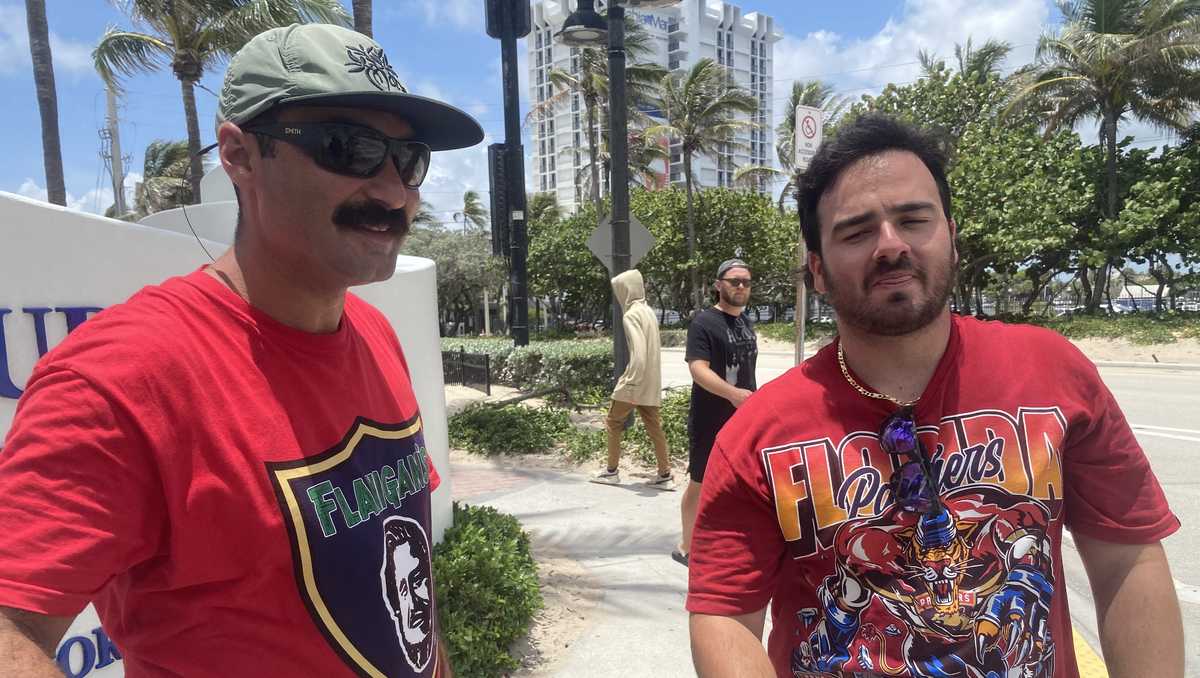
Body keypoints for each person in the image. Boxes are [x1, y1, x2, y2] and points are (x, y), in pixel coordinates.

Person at [0, 23, 482, 678]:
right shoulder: (121, 377)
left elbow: (401, 591)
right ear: (240, 154)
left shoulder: (374, 334)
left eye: (410, 160)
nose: (394, 191)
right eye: (351, 148)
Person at [686, 113, 1184, 677]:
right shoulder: (759, 433)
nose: (890, 245)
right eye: (857, 230)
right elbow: (725, 614)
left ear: (951, 235)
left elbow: (1126, 558)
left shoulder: (1053, 372)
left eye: (912, 219)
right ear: (818, 272)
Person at [675, 258, 758, 566]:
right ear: (718, 284)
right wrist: (733, 394)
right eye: (734, 280)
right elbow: (698, 369)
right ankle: (687, 546)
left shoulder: (746, 322)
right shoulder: (703, 322)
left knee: (739, 482)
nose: (740, 286)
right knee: (700, 481)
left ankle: (729, 540)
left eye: (746, 282)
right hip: (710, 417)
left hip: (745, 418)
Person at [592, 269, 673, 488]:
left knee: (612, 422)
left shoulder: (630, 315)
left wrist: (630, 382)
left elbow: (638, 353)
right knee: (654, 427)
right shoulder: (648, 311)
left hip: (635, 383)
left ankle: (611, 471)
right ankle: (665, 474)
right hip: (651, 384)